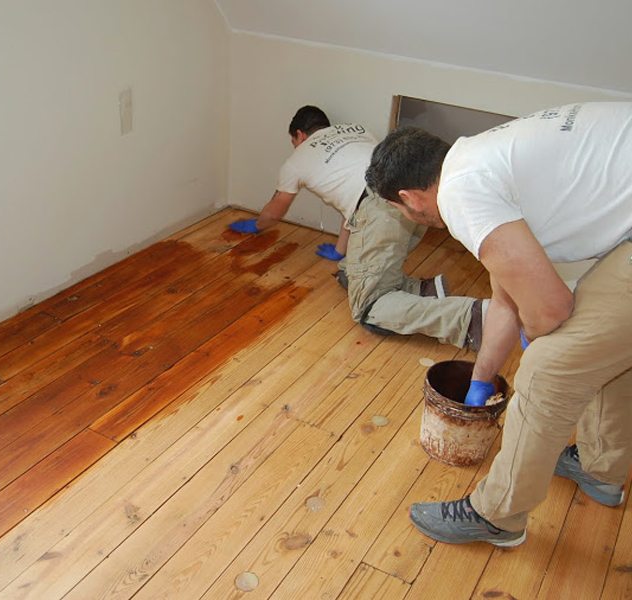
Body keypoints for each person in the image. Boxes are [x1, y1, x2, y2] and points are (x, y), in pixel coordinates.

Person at [365, 102, 632, 547]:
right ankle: (598, 467)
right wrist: (480, 379)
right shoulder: (481, 159)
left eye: (403, 211)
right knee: (608, 346)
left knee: (549, 370)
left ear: (409, 199)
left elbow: (549, 310)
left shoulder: (461, 194)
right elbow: (506, 297)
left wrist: (541, 334)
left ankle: (496, 516)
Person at [229, 105, 486, 351]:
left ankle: (471, 318)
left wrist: (257, 225)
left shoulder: (297, 159)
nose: (296, 146)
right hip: (409, 204)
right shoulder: (356, 130)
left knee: (368, 309)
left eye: (294, 141)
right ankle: (424, 292)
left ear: (299, 134)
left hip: (384, 213)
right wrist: (342, 251)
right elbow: (354, 201)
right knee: (348, 274)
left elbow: (276, 209)